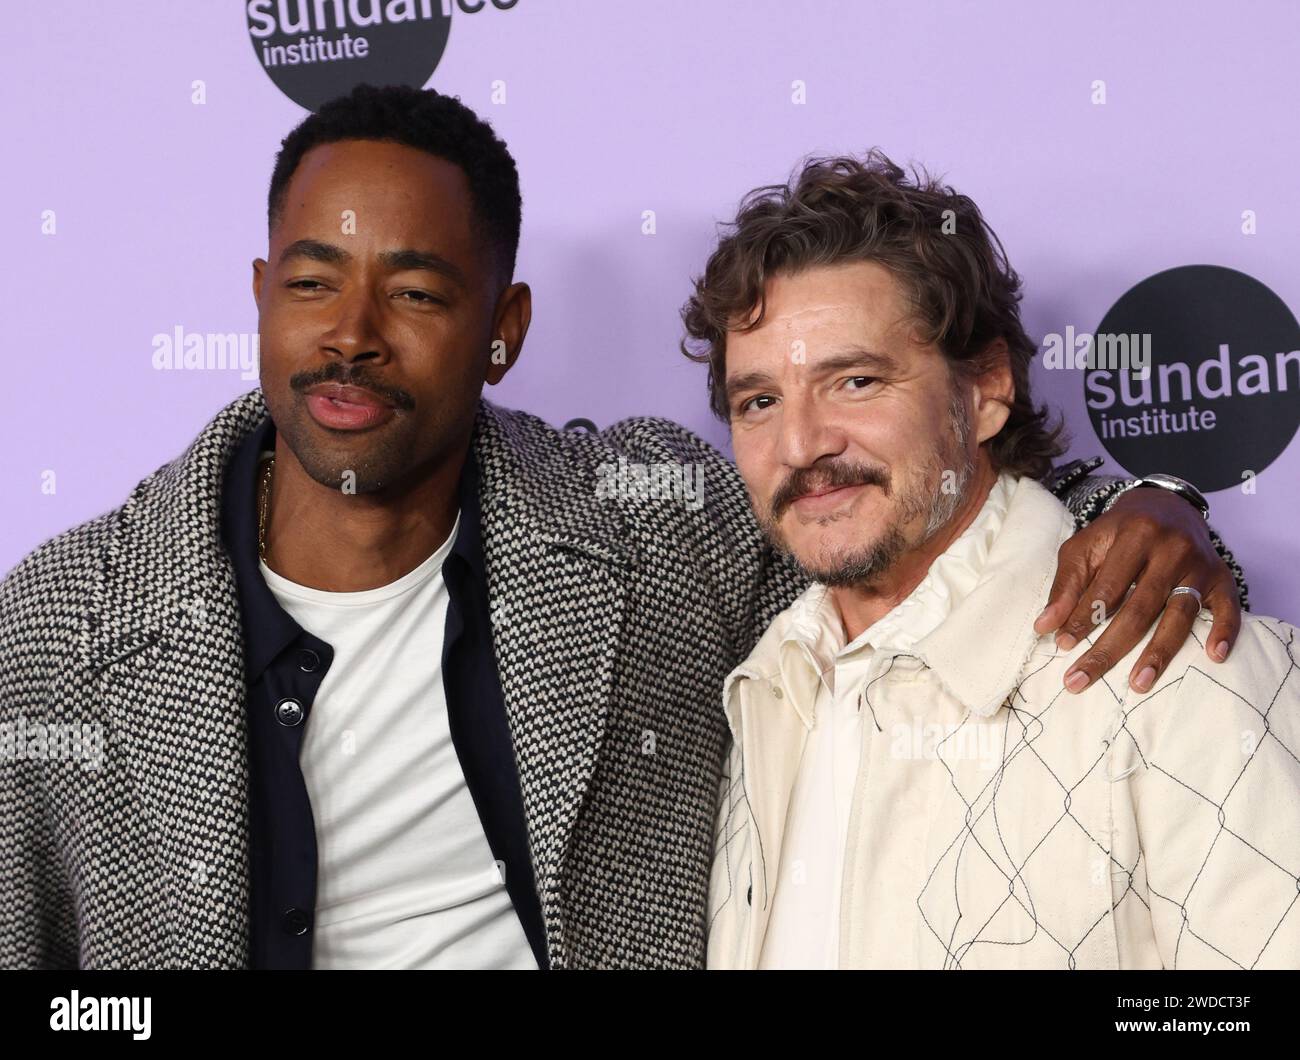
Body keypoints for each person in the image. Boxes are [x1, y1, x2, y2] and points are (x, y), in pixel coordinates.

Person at [0, 87, 1245, 969]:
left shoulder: (651, 521)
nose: (352, 334)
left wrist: (1141, 509)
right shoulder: (61, 618)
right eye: (312, 282)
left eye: (419, 292)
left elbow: (887, 541)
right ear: (261, 298)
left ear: (506, 328)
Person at [700, 151, 1298, 969]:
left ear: (985, 389)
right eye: (759, 402)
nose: (801, 445)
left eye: (857, 382)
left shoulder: (1183, 665)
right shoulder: (763, 690)